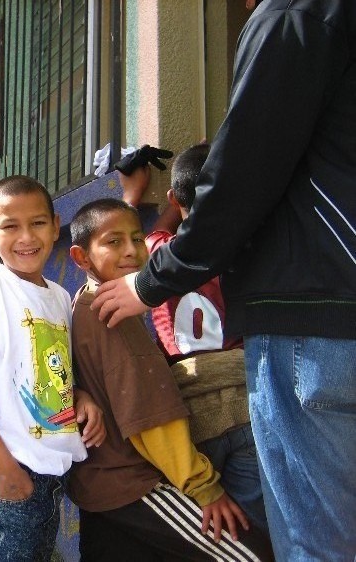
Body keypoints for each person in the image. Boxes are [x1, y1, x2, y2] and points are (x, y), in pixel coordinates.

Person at [92, 2, 356, 559]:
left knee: (311, 543)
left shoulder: (293, 19)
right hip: (288, 365)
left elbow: (241, 176)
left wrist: (147, 279)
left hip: (304, 338)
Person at [67, 198, 272, 561]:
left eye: (136, 239)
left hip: (99, 485)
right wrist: (205, 488)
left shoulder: (84, 301)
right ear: (82, 258)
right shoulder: (112, 316)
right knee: (252, 555)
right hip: (131, 484)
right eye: (113, 242)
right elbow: (149, 416)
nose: (131, 251)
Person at [0, 176, 105, 561]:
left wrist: (80, 397)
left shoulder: (62, 297)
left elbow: (49, 370)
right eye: (10, 226)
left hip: (52, 475)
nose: (26, 237)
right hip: (7, 472)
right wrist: (4, 470)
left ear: (55, 226)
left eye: (37, 223)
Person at [119, 143, 268, 533]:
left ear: (172, 197)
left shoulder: (158, 254)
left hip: (188, 413)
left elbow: (144, 237)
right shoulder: (244, 252)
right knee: (255, 530)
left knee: (197, 533)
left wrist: (132, 197)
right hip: (242, 401)